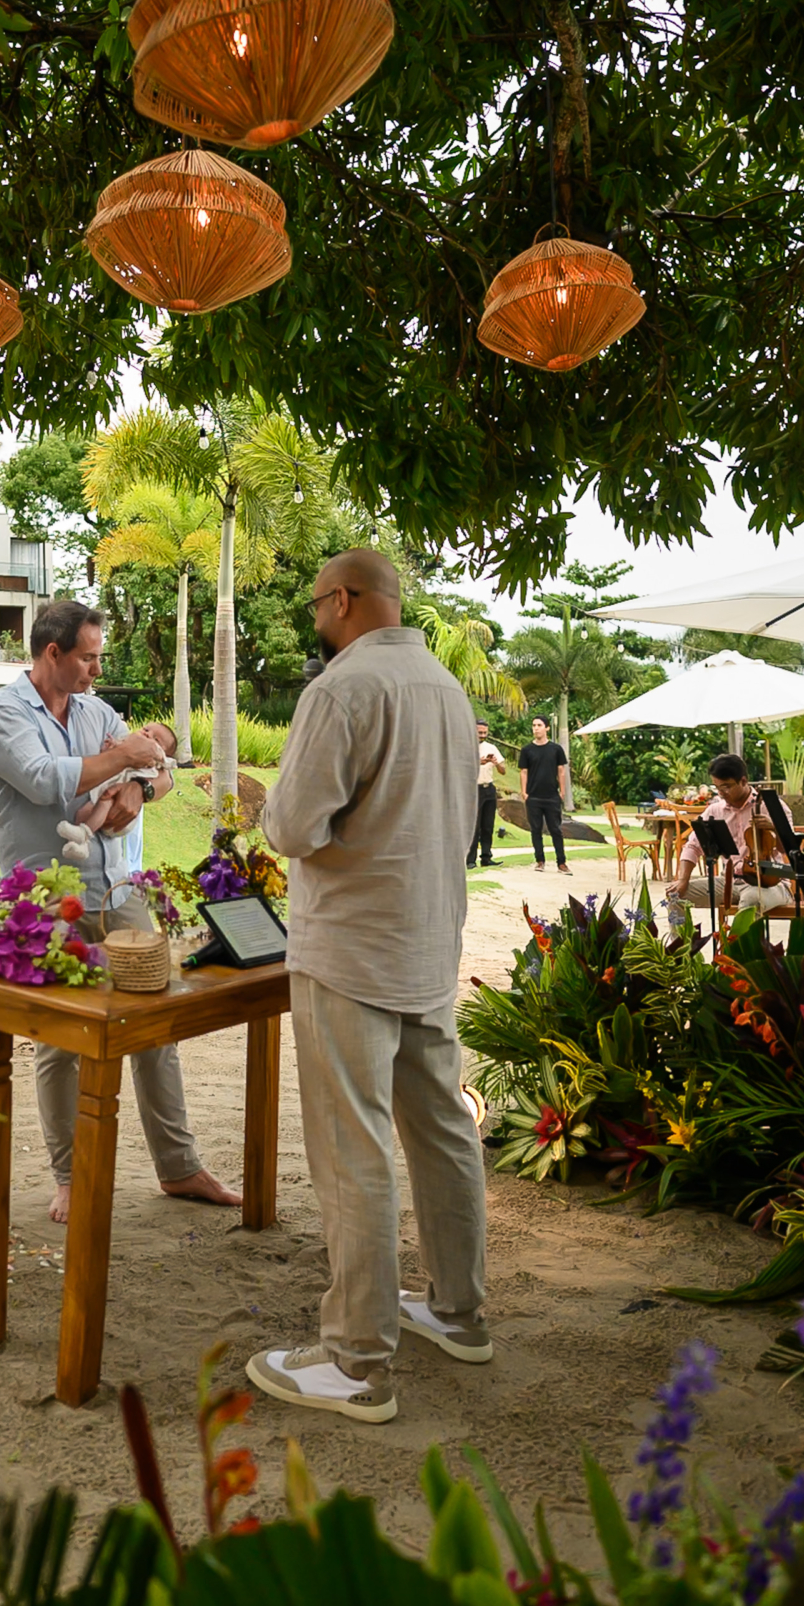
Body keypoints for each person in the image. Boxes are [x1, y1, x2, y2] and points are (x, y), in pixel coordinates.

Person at [247, 547, 489, 1428]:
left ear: (342, 600)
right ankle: (458, 1312)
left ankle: (355, 1360)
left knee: (353, 1152)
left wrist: (258, 802)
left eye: (316, 607)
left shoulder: (342, 689)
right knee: (439, 1132)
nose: (315, 621)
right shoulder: (446, 688)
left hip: (351, 948)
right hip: (425, 940)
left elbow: (296, 825)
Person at [0, 599, 239, 1223]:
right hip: (47, 899)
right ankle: (70, 1177)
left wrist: (141, 787)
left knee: (156, 1026)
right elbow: (46, 780)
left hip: (120, 890)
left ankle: (179, 1169)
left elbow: (164, 769)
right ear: (52, 654)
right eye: (88, 657)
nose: (97, 669)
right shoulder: (1, 712)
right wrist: (126, 759)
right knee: (61, 1042)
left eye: (98, 656)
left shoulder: (96, 710)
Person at [667, 753, 789, 925]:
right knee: (675, 897)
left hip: (771, 884)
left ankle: (735, 951)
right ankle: (682, 949)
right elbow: (693, 846)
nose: (721, 793)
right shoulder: (715, 811)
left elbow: (790, 850)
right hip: (730, 881)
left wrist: (774, 828)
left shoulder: (772, 806)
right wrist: (683, 880)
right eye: (717, 788)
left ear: (744, 781)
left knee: (751, 901)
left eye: (726, 787)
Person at [518, 717, 571, 874]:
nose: (536, 728)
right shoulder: (527, 750)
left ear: (547, 728)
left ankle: (561, 863)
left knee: (556, 830)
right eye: (534, 725)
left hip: (551, 796)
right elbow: (523, 771)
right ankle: (539, 861)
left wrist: (562, 792)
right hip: (533, 796)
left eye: (539, 725)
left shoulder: (556, 749)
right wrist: (524, 792)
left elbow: (561, 771)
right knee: (536, 830)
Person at [468, 720, 504, 869]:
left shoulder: (491, 748)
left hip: (488, 788)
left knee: (488, 825)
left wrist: (496, 762)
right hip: (473, 789)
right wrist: (478, 762)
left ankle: (486, 857)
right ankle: (470, 860)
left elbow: (503, 770)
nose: (482, 735)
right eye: (480, 732)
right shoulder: (466, 747)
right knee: (474, 827)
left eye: (484, 732)